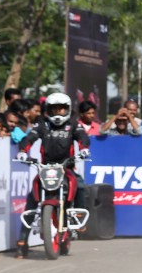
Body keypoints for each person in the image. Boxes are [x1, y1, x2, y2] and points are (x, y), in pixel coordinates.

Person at [14, 93, 90, 258]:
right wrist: (22, 151)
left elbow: (83, 137)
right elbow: (30, 137)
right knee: (32, 199)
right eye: (54, 109)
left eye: (61, 109)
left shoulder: (73, 124)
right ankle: (22, 242)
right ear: (48, 110)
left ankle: (78, 218)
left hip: (66, 168)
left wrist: (84, 149)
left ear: (68, 109)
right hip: (46, 168)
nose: (58, 113)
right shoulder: (42, 124)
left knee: (81, 186)